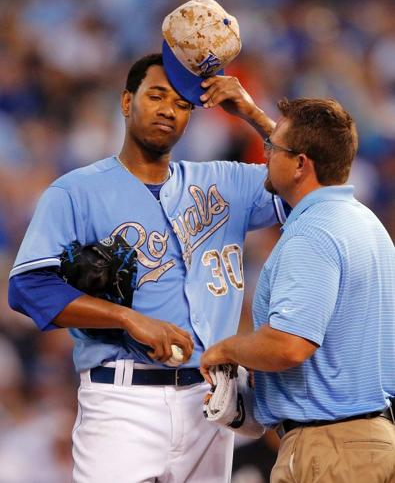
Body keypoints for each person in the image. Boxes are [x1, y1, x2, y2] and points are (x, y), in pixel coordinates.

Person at [8, 52, 287, 482]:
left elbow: (312, 181)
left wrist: (252, 114)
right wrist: (126, 317)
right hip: (122, 398)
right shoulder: (76, 192)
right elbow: (28, 286)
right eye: (156, 96)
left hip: (211, 399)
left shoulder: (225, 181)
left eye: (181, 105)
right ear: (126, 102)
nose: (167, 111)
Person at [200, 98, 395, 482]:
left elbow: (289, 346)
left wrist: (227, 348)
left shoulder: (312, 235)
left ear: (301, 164)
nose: (267, 154)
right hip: (371, 440)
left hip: (328, 449)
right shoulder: (366, 223)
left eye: (274, 148)